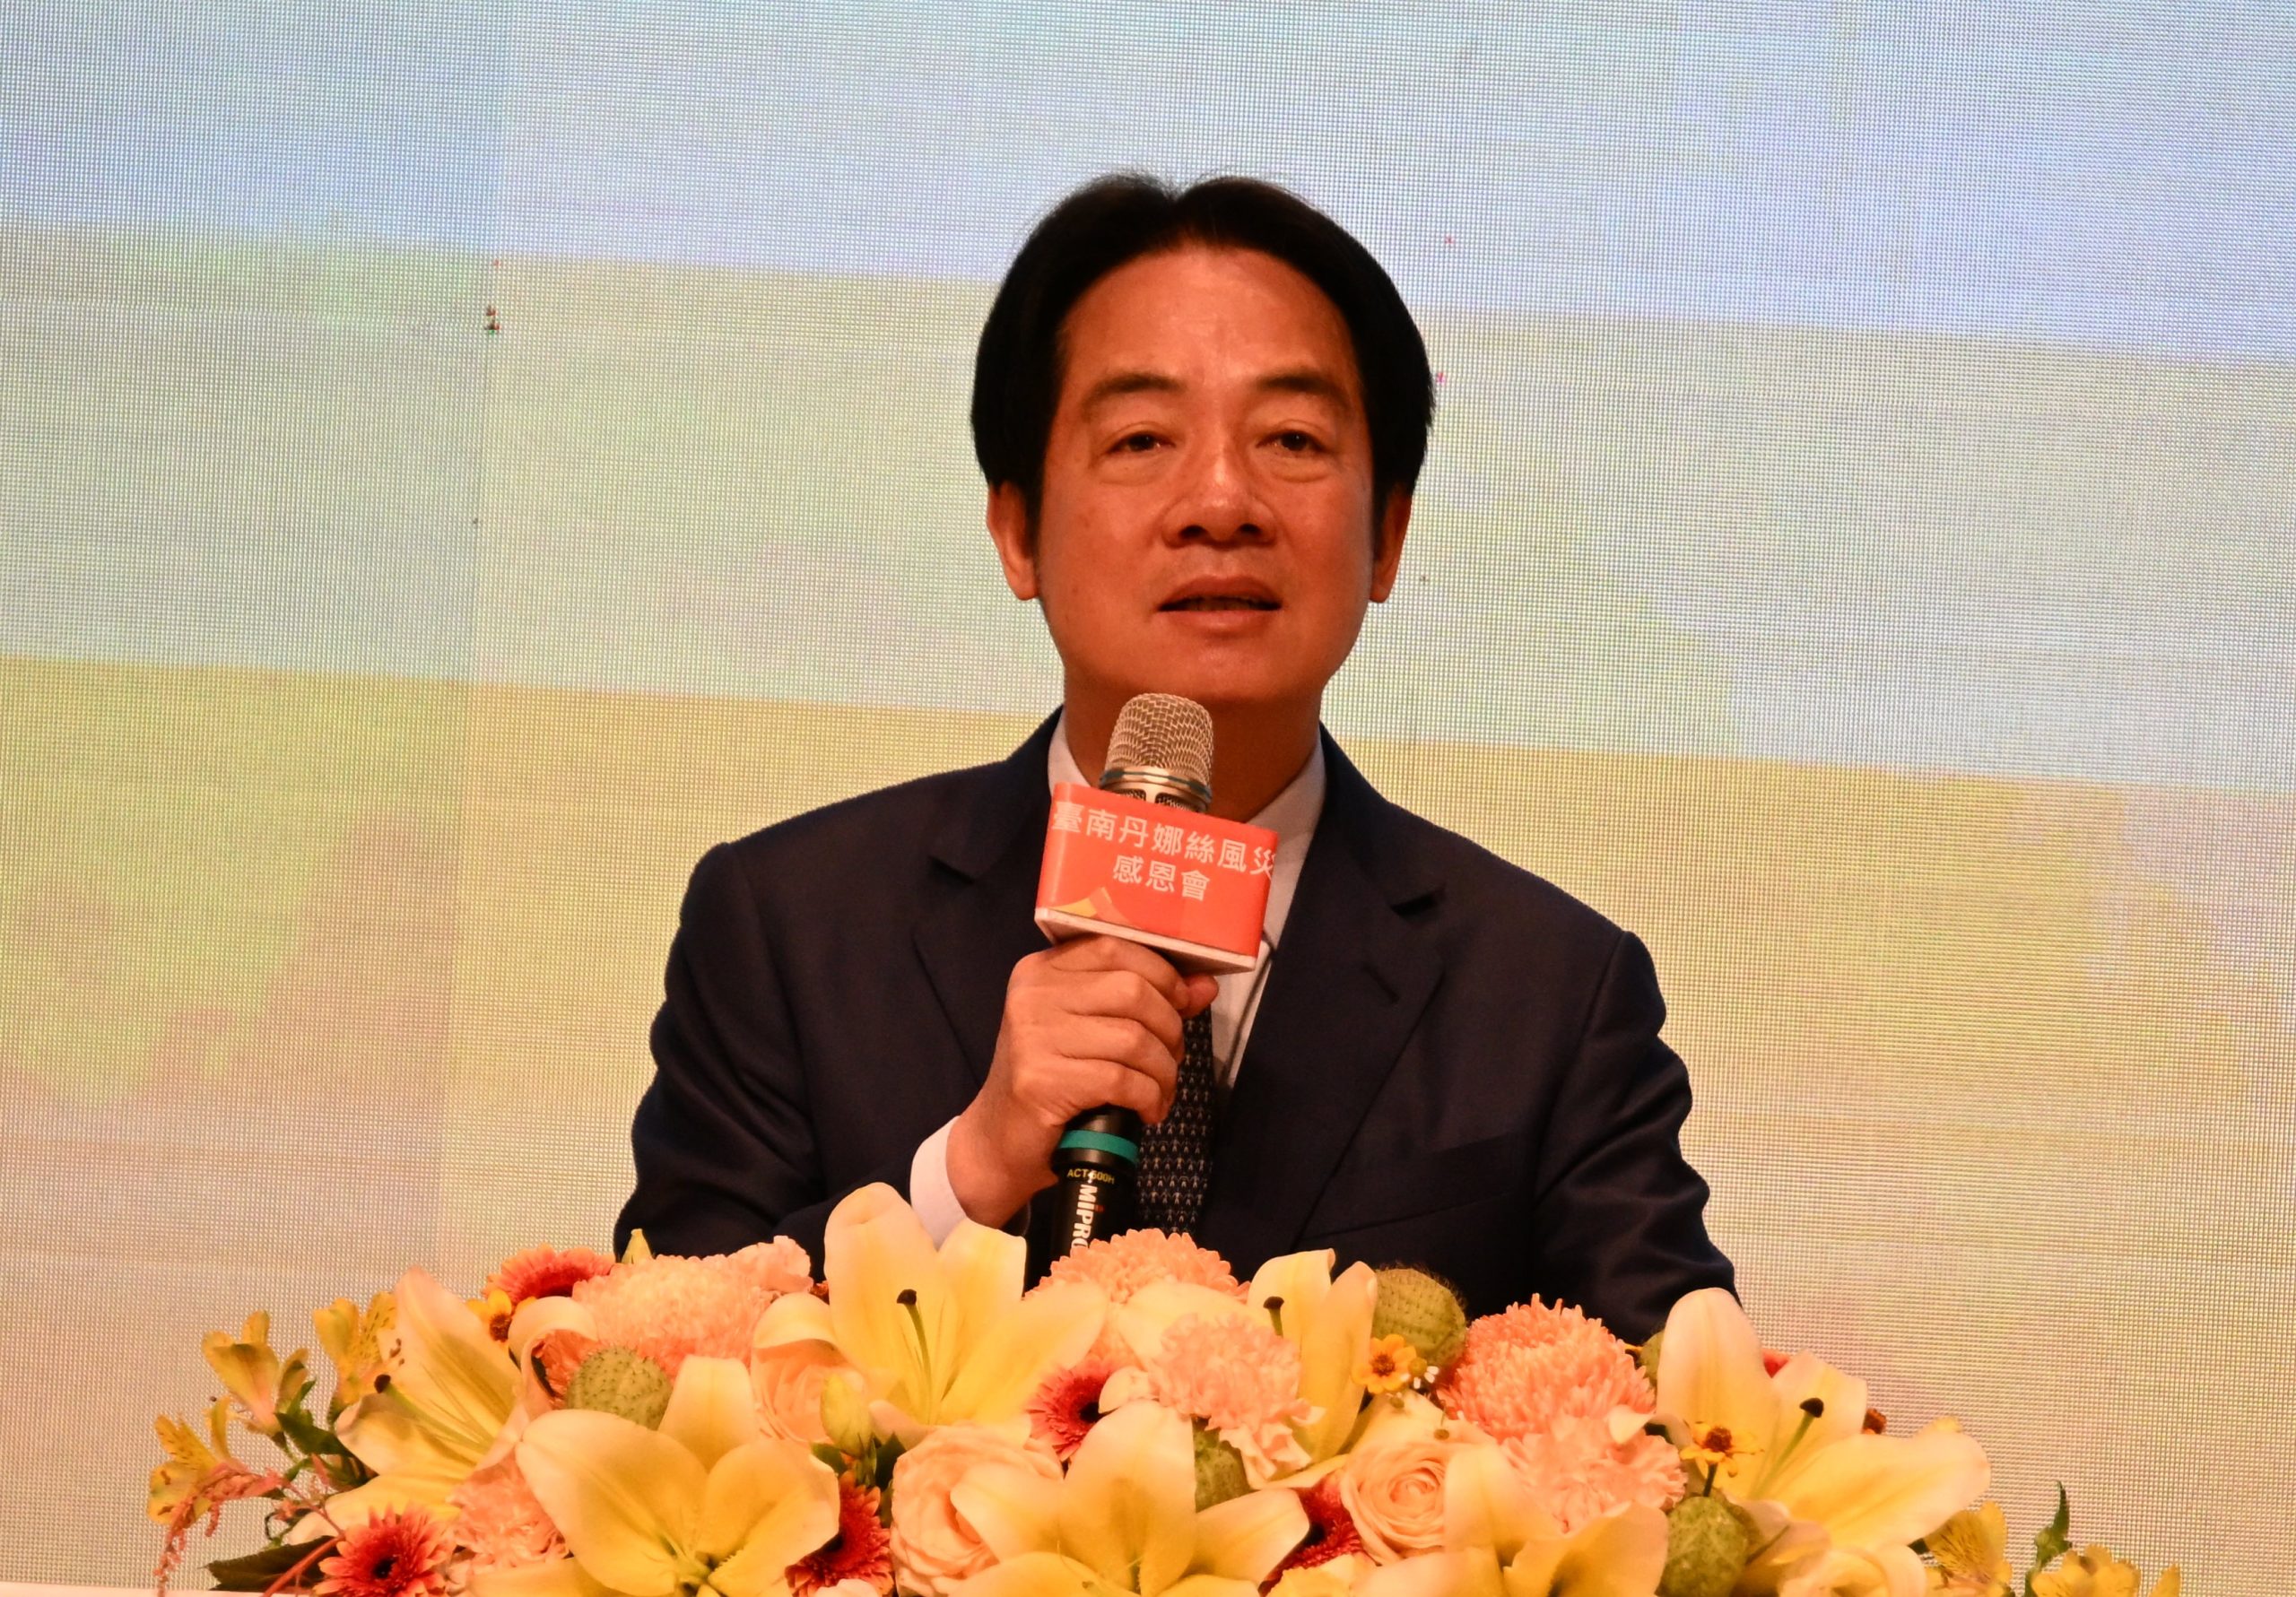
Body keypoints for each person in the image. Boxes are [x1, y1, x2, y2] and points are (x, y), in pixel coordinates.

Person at [615, 173, 1734, 1335]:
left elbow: (1685, 1403)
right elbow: (656, 1354)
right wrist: (969, 1170)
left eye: (1292, 439)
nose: (1221, 501)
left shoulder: (1550, 992)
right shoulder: (790, 926)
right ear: (1017, 530)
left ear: (1387, 536)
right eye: (1142, 439)